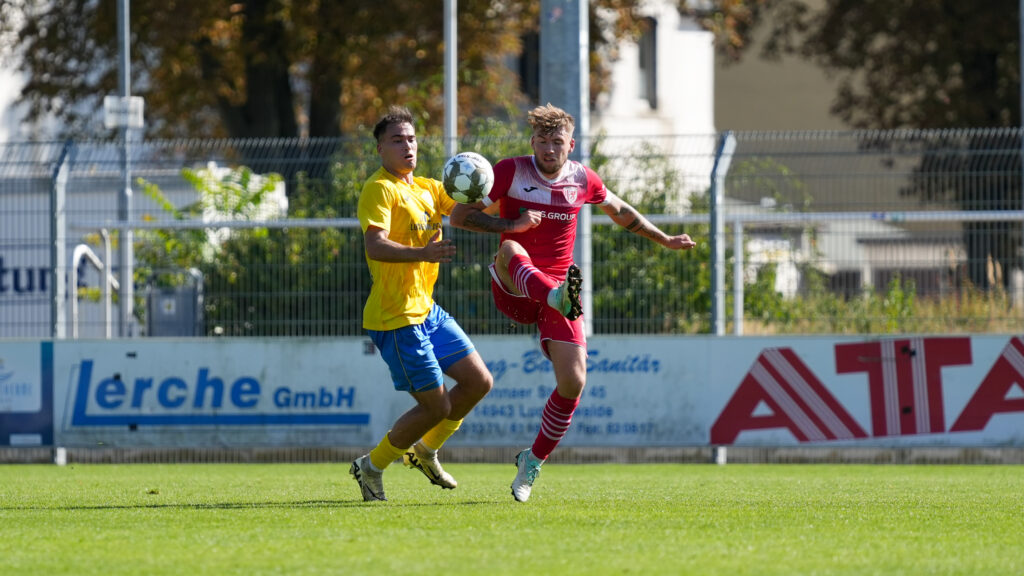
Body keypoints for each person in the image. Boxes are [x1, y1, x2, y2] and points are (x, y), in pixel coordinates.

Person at [450, 103, 697, 502]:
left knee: (574, 380)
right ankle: (552, 293)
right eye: (543, 141)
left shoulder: (583, 178)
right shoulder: (510, 171)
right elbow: (460, 217)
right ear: (532, 142)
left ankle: (531, 462)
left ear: (571, 145)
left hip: (562, 289)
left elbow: (620, 211)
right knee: (511, 247)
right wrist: (510, 224)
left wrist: (664, 239)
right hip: (514, 287)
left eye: (557, 142)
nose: (549, 149)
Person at [351, 105, 496, 502]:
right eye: (397, 140)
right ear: (380, 149)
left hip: (427, 310)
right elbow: (375, 244)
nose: (407, 146)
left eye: (412, 139)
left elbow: (471, 210)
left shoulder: (431, 188)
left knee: (478, 382)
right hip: (395, 318)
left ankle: (425, 451)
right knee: (436, 406)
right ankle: (370, 467)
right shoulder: (380, 188)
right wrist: (423, 254)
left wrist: (500, 197)